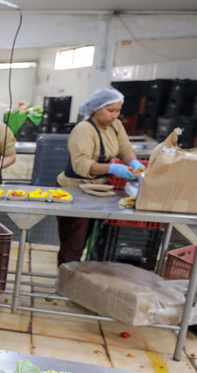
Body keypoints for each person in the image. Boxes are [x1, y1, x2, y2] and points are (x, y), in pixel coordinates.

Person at [55, 87, 144, 265]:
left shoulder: (115, 126)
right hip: (75, 191)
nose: (115, 115)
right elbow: (81, 166)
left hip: (100, 191)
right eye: (110, 110)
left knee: (96, 241)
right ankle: (65, 283)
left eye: (118, 110)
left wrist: (133, 162)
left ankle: (83, 279)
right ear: (96, 108)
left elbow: (124, 149)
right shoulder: (83, 130)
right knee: (74, 243)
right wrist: (112, 168)